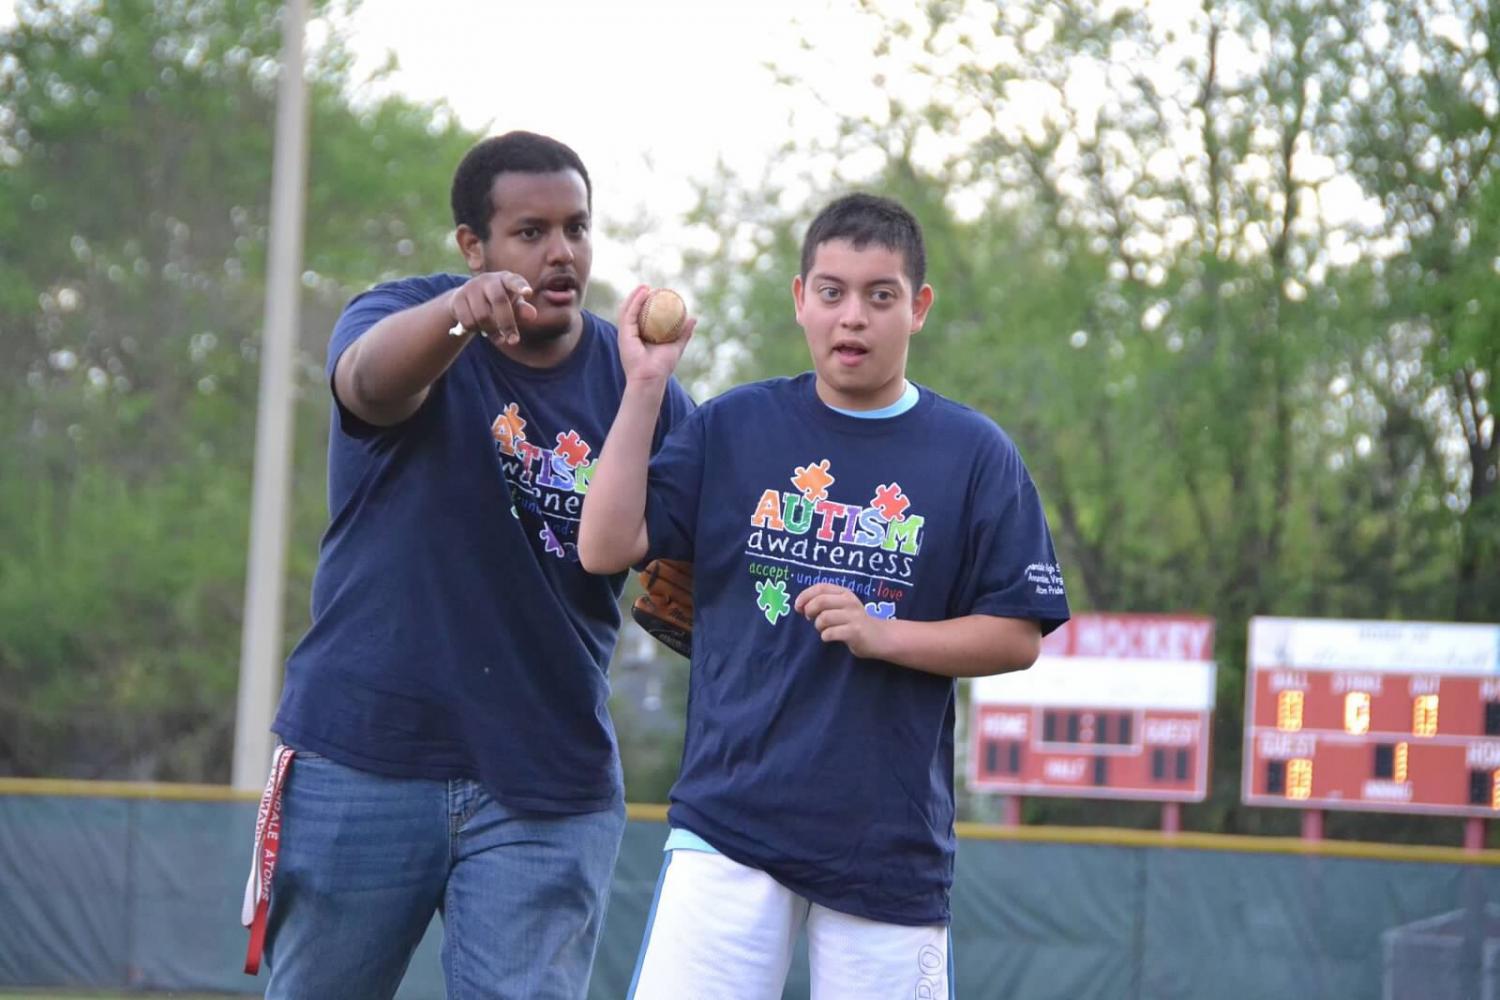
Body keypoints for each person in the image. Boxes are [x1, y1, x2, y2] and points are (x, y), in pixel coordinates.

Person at [578, 192, 1071, 998]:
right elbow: (604, 546)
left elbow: (1018, 635)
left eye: (881, 295)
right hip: (729, 820)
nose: (854, 317)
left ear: (919, 308)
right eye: (833, 291)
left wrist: (888, 635)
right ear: (800, 299)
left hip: (888, 843)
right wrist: (643, 388)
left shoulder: (974, 453)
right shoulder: (735, 426)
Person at [243, 131, 695, 1000]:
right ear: (472, 246)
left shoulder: (640, 386)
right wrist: (459, 312)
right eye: (530, 232)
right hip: (365, 755)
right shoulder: (403, 317)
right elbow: (369, 386)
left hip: (546, 778)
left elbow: (696, 565)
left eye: (576, 227)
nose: (560, 252)